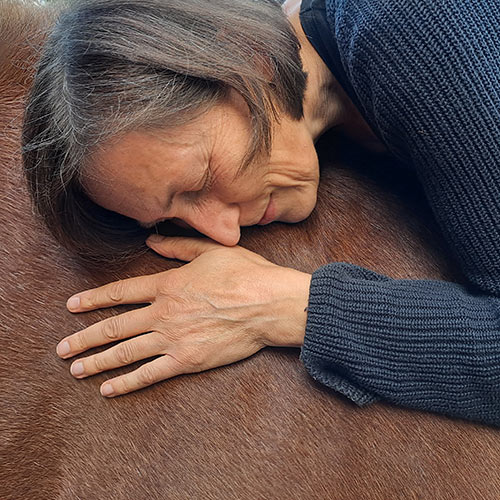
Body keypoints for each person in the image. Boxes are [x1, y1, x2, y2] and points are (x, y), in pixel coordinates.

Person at [22, 0, 500, 427]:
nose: (224, 234)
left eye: (197, 182)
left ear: (248, 57)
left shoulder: (411, 26)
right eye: (174, 221)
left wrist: (283, 306)